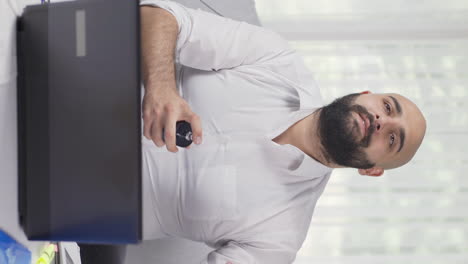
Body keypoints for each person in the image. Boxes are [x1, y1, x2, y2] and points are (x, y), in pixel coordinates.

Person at [139, 0, 427, 263]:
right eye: (388, 107)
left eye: (392, 139)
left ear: (372, 170)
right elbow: (158, 15)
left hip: (100, 206)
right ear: (366, 93)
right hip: (98, 91)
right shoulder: (275, 58)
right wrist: (161, 87)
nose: (381, 122)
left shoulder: (279, 239)